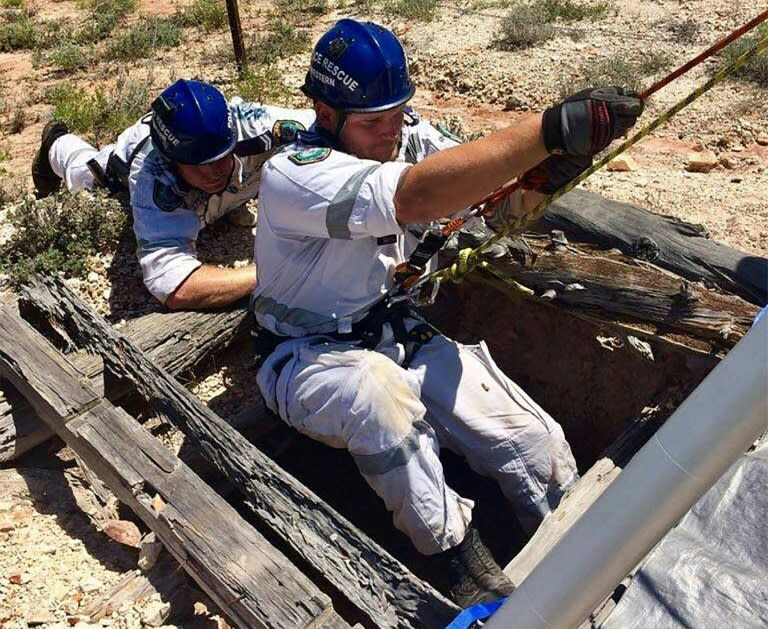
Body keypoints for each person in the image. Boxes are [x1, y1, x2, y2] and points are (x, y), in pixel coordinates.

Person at [251, 19, 644, 606]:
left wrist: (545, 178)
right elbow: (414, 197)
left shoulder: (409, 136)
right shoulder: (294, 173)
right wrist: (547, 129)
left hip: (391, 330)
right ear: (324, 113)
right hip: (307, 356)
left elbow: (491, 213)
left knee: (534, 440)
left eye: (397, 113)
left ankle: (579, 561)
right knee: (375, 393)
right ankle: (461, 567)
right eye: (371, 122)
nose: (391, 132)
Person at [31, 79, 315, 310]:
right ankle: (55, 144)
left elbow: (331, 127)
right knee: (84, 174)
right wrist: (272, 273)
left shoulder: (258, 125)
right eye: (199, 165)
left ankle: (225, 206)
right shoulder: (151, 176)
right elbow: (173, 285)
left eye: (221, 158)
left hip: (216, 189)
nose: (214, 171)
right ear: (171, 161)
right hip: (121, 167)